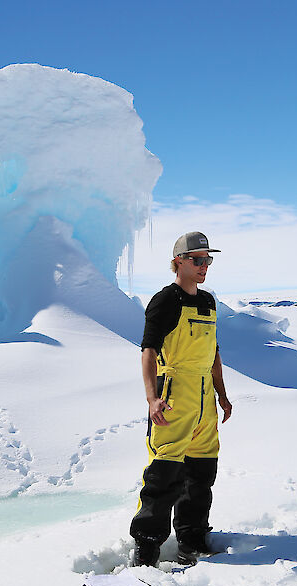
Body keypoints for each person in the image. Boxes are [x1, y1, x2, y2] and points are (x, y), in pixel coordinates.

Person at [129, 231, 233, 567]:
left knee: (201, 476)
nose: (205, 266)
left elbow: (213, 353)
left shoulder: (207, 302)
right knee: (164, 476)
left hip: (204, 398)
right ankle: (146, 551)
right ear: (178, 262)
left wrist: (222, 395)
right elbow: (148, 351)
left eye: (208, 260)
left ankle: (192, 540)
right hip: (174, 395)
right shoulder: (165, 300)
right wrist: (151, 398)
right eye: (198, 259)